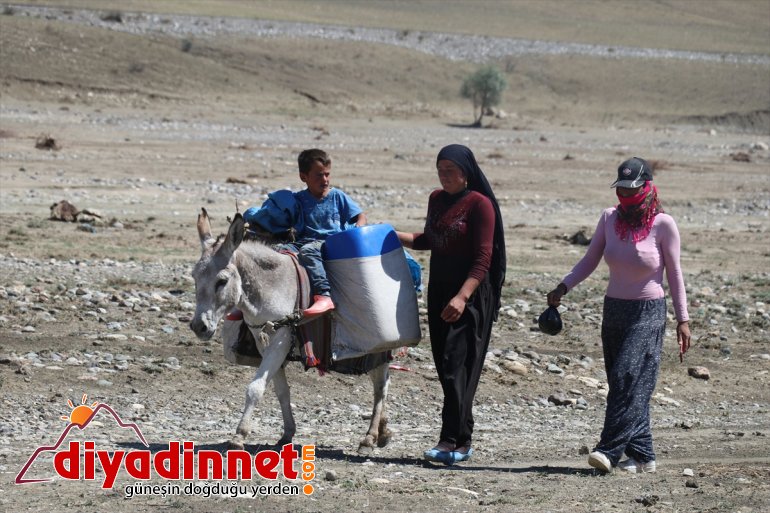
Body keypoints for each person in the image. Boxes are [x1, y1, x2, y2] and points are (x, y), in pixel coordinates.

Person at [546, 156, 692, 474]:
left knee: (628, 377)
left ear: (647, 187)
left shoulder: (663, 224)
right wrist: (563, 286)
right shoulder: (609, 219)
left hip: (648, 311)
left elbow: (676, 274)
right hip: (614, 309)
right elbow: (590, 260)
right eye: (621, 189)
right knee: (623, 383)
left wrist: (683, 319)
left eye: (632, 189)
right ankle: (643, 455)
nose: (625, 196)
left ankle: (609, 450)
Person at [397, 144, 506, 465]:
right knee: (448, 368)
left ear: (466, 172)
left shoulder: (480, 205)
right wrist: (390, 233)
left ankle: (451, 440)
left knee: (455, 364)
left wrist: (463, 296)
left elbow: (484, 256)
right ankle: (461, 440)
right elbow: (430, 239)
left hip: (470, 295)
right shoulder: (436, 199)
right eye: (440, 169)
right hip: (440, 292)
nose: (444, 176)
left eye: (450, 170)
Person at [290, 148, 367, 317]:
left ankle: (324, 295)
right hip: (305, 242)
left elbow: (360, 216)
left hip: (332, 243)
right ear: (304, 177)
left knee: (309, 251)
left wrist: (357, 232)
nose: (325, 180)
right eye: (319, 175)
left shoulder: (336, 196)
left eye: (327, 174)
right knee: (281, 252)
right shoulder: (298, 200)